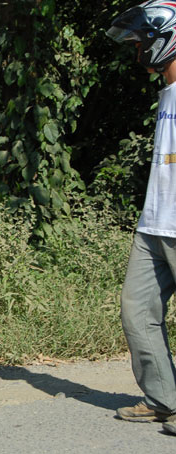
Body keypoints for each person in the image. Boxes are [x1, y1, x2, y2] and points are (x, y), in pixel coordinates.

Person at [107, 0, 176, 435]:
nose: (138, 54)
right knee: (137, 311)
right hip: (154, 224)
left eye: (142, 43)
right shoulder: (166, 93)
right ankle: (163, 399)